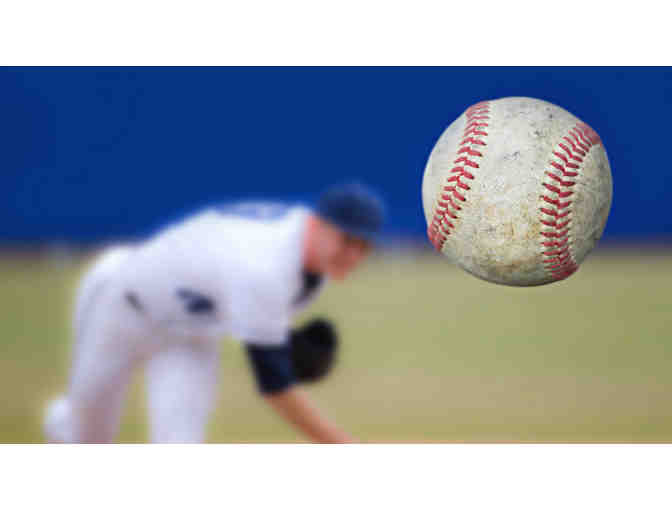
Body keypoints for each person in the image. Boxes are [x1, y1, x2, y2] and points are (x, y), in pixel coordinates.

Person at [44, 183, 384, 443]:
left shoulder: (312, 269)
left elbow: (252, 314)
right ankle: (65, 419)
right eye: (347, 240)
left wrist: (283, 344)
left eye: (363, 246)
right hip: (122, 306)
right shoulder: (267, 264)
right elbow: (275, 386)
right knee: (87, 440)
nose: (354, 255)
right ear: (317, 224)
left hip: (190, 337)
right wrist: (343, 447)